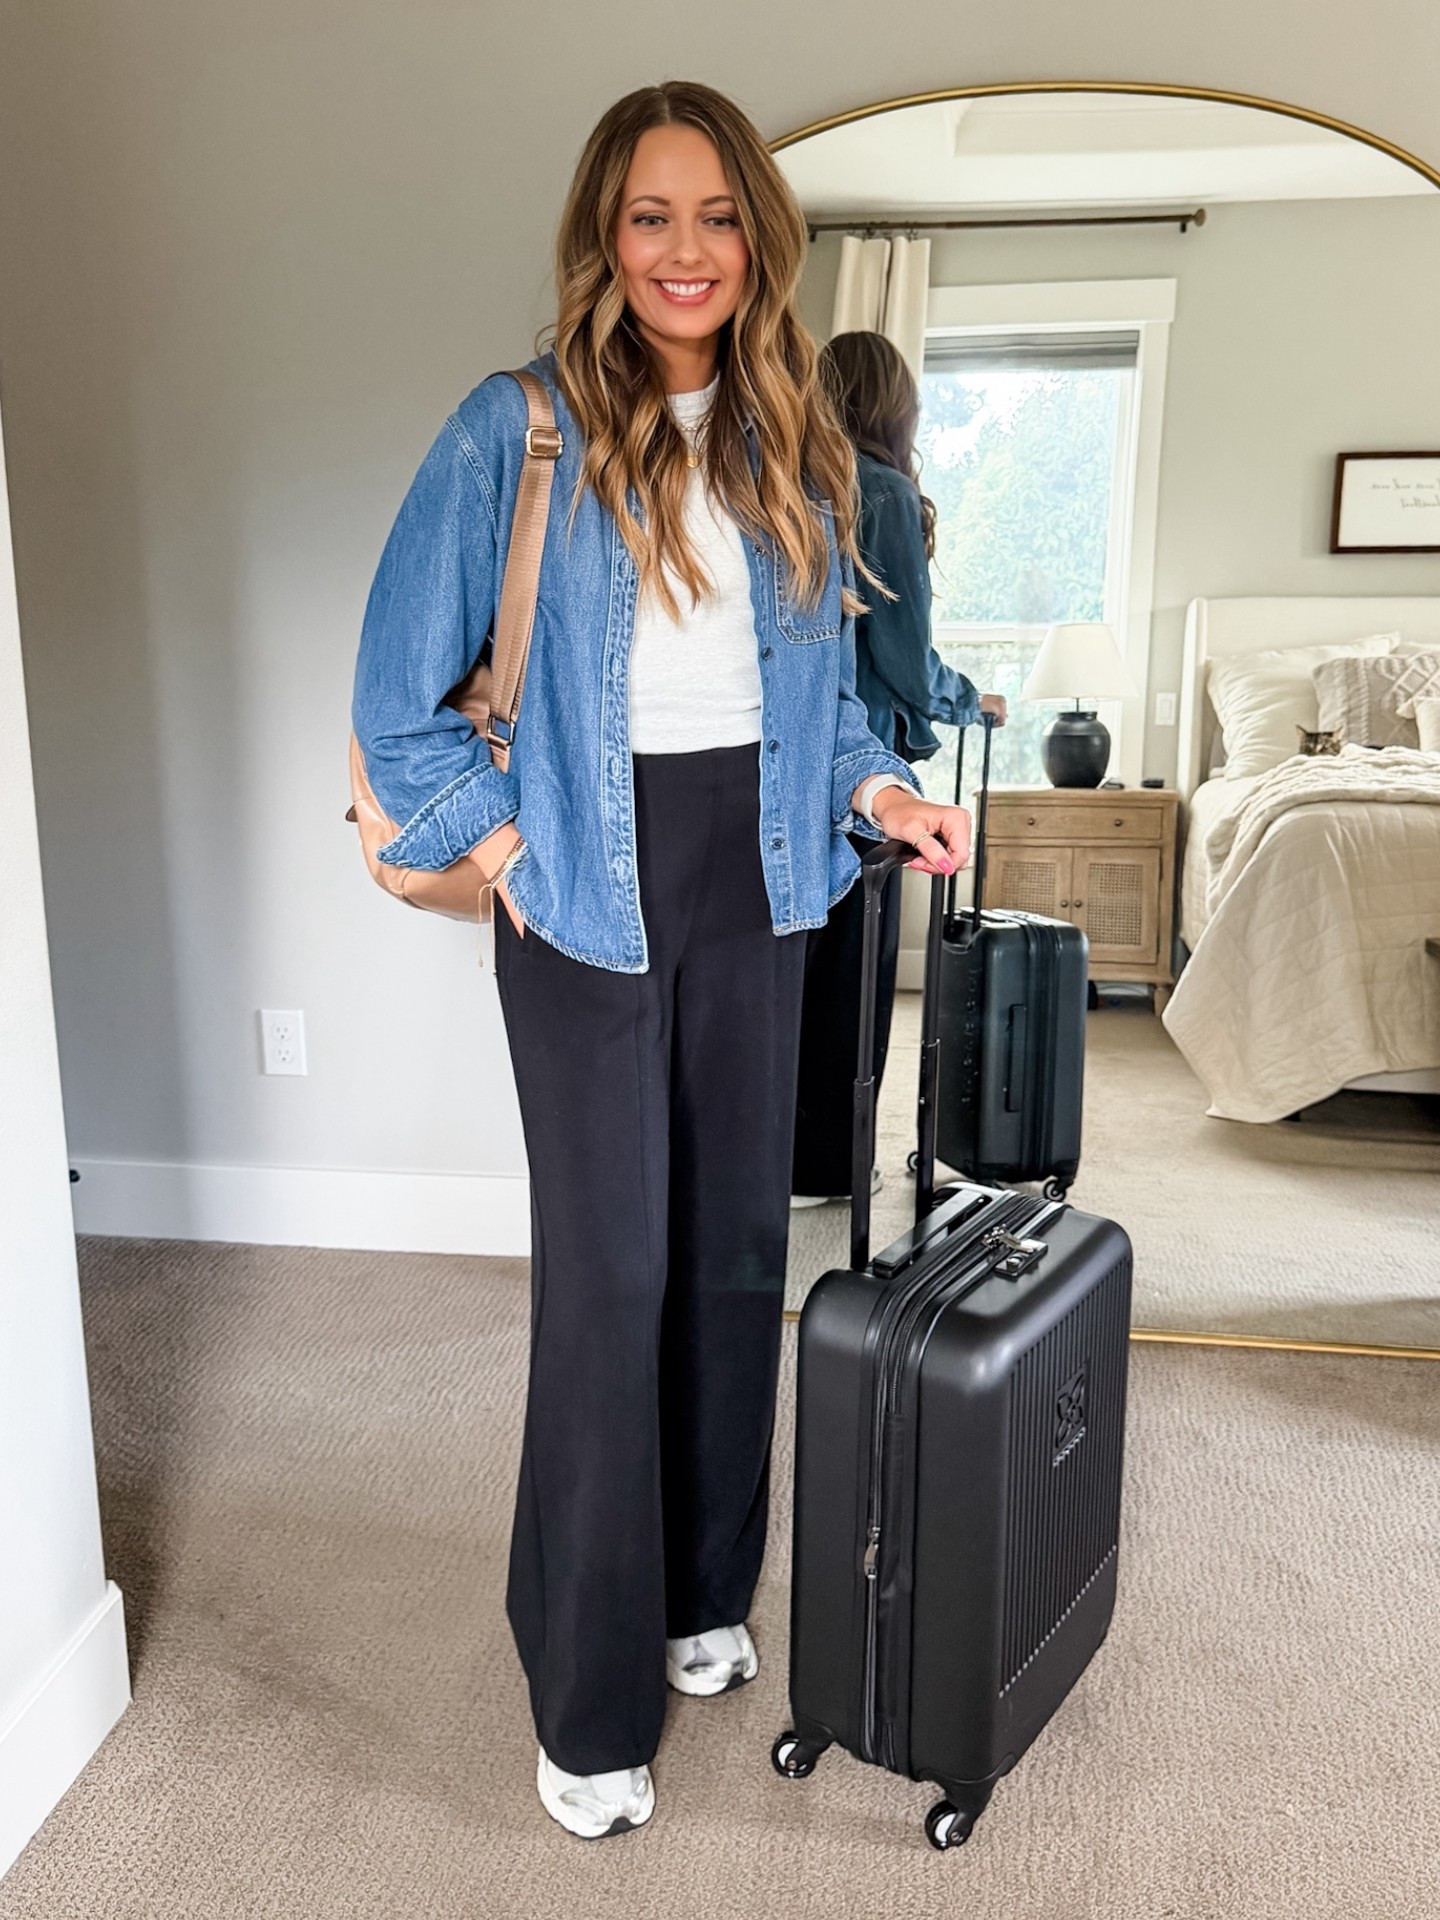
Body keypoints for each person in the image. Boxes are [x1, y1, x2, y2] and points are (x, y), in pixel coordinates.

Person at [351, 83, 970, 1840]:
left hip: (766, 878)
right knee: (610, 1285)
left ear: (758, 243)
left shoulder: (801, 450)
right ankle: (589, 1685)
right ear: (604, 240)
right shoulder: (517, 430)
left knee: (724, 1263)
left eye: (715, 217)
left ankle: (705, 1597)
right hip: (590, 890)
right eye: (648, 217)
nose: (684, 251)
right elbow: (399, 705)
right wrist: (505, 862)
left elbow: (832, 702)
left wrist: (881, 794)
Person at [791, 331, 1006, 1205]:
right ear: (895, 406)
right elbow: (908, 660)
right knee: (858, 972)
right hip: (863, 774)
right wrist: (970, 698)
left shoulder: (792, 480)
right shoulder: (879, 490)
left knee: (799, 966)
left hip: (791, 763)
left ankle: (785, 1157)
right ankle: (828, 1165)